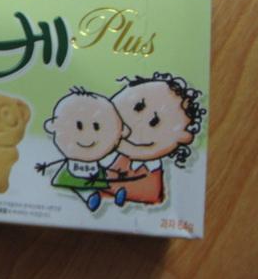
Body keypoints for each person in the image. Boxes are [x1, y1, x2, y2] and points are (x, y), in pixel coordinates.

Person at [104, 72, 206, 204]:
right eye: (138, 107)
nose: (137, 123)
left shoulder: (150, 167)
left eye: (154, 122)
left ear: (183, 137)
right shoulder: (103, 148)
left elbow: (152, 194)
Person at [36, 87, 130, 212]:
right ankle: (89, 199)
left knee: (100, 185)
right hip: (71, 174)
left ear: (120, 131)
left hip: (95, 174)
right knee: (74, 188)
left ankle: (114, 195)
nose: (88, 135)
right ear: (53, 126)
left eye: (96, 127)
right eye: (79, 126)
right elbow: (57, 163)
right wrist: (45, 167)